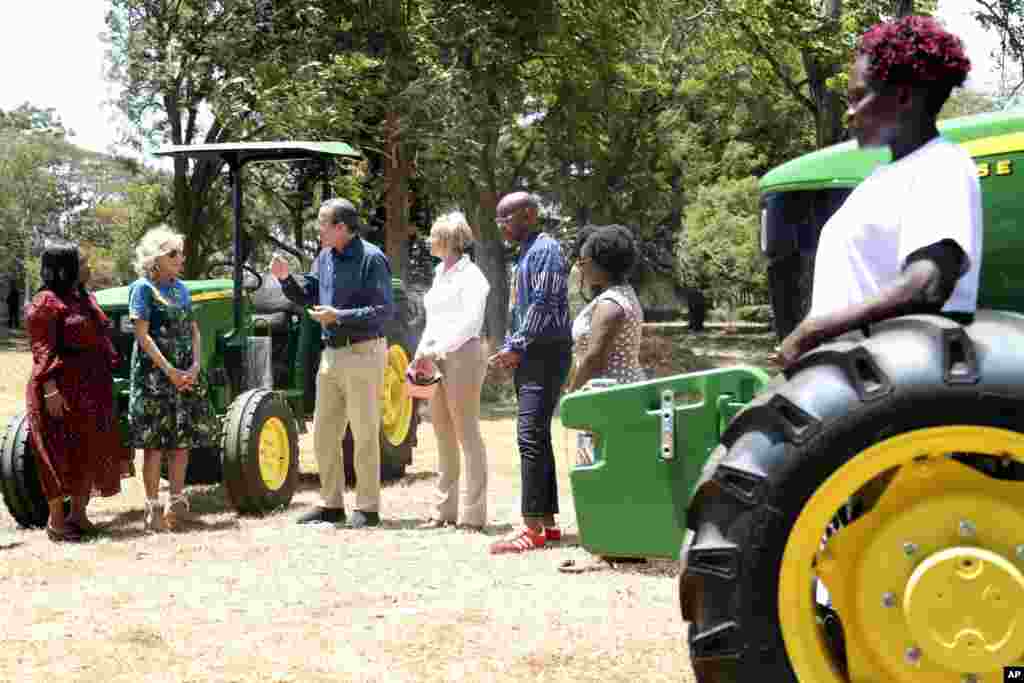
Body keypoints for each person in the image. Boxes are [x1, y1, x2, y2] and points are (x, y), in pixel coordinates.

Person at [780, 15, 980, 367]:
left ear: (903, 97)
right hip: (859, 370)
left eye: (858, 97)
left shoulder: (941, 164)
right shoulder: (882, 178)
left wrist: (811, 331)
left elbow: (927, 284)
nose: (849, 113)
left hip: (893, 372)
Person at [270, 198, 394, 529]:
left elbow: (383, 311)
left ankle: (367, 508)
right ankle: (331, 504)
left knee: (364, 433)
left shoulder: (372, 258)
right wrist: (286, 279)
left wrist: (338, 316)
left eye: (322, 224)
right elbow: (310, 292)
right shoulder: (324, 257)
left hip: (364, 352)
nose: (318, 231)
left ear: (341, 227)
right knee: (324, 432)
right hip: (331, 356)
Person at [25, 242, 129, 542]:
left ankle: (79, 516)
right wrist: (50, 389)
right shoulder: (45, 302)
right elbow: (42, 348)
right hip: (59, 388)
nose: (89, 267)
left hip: (91, 387)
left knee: (88, 449)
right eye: (82, 262)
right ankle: (57, 522)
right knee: (58, 452)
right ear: (65, 268)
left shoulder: (84, 298)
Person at [487, 192, 572, 555]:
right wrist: (511, 347)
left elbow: (543, 303)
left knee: (529, 436)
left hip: (546, 353)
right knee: (537, 435)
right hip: (531, 352)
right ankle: (548, 525)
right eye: (498, 220)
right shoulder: (525, 253)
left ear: (529, 215)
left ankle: (531, 527)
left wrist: (518, 346)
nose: (502, 226)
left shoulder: (545, 250)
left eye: (506, 218)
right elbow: (521, 310)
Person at [129, 226, 220, 532]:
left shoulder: (181, 289)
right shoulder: (142, 289)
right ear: (156, 259)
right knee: (154, 445)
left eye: (180, 253)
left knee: (181, 442)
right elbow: (142, 336)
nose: (181, 258)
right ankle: (153, 508)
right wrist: (169, 371)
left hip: (184, 374)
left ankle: (177, 503)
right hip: (154, 376)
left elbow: (194, 330)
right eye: (173, 254)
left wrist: (195, 365)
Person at [410, 211, 491, 531]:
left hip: (463, 356)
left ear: (447, 241)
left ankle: (473, 515)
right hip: (435, 355)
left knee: (467, 433)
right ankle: (444, 512)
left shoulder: (473, 276)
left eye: (433, 236)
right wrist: (422, 351)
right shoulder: (439, 273)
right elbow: (434, 320)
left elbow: (470, 323)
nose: (429, 240)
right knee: (442, 432)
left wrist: (438, 348)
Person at [566, 225, 646, 393]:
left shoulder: (610, 304)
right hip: (620, 390)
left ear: (599, 264)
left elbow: (593, 360)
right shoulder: (624, 293)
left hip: (610, 395)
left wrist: (570, 398)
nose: (581, 268)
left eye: (583, 262)